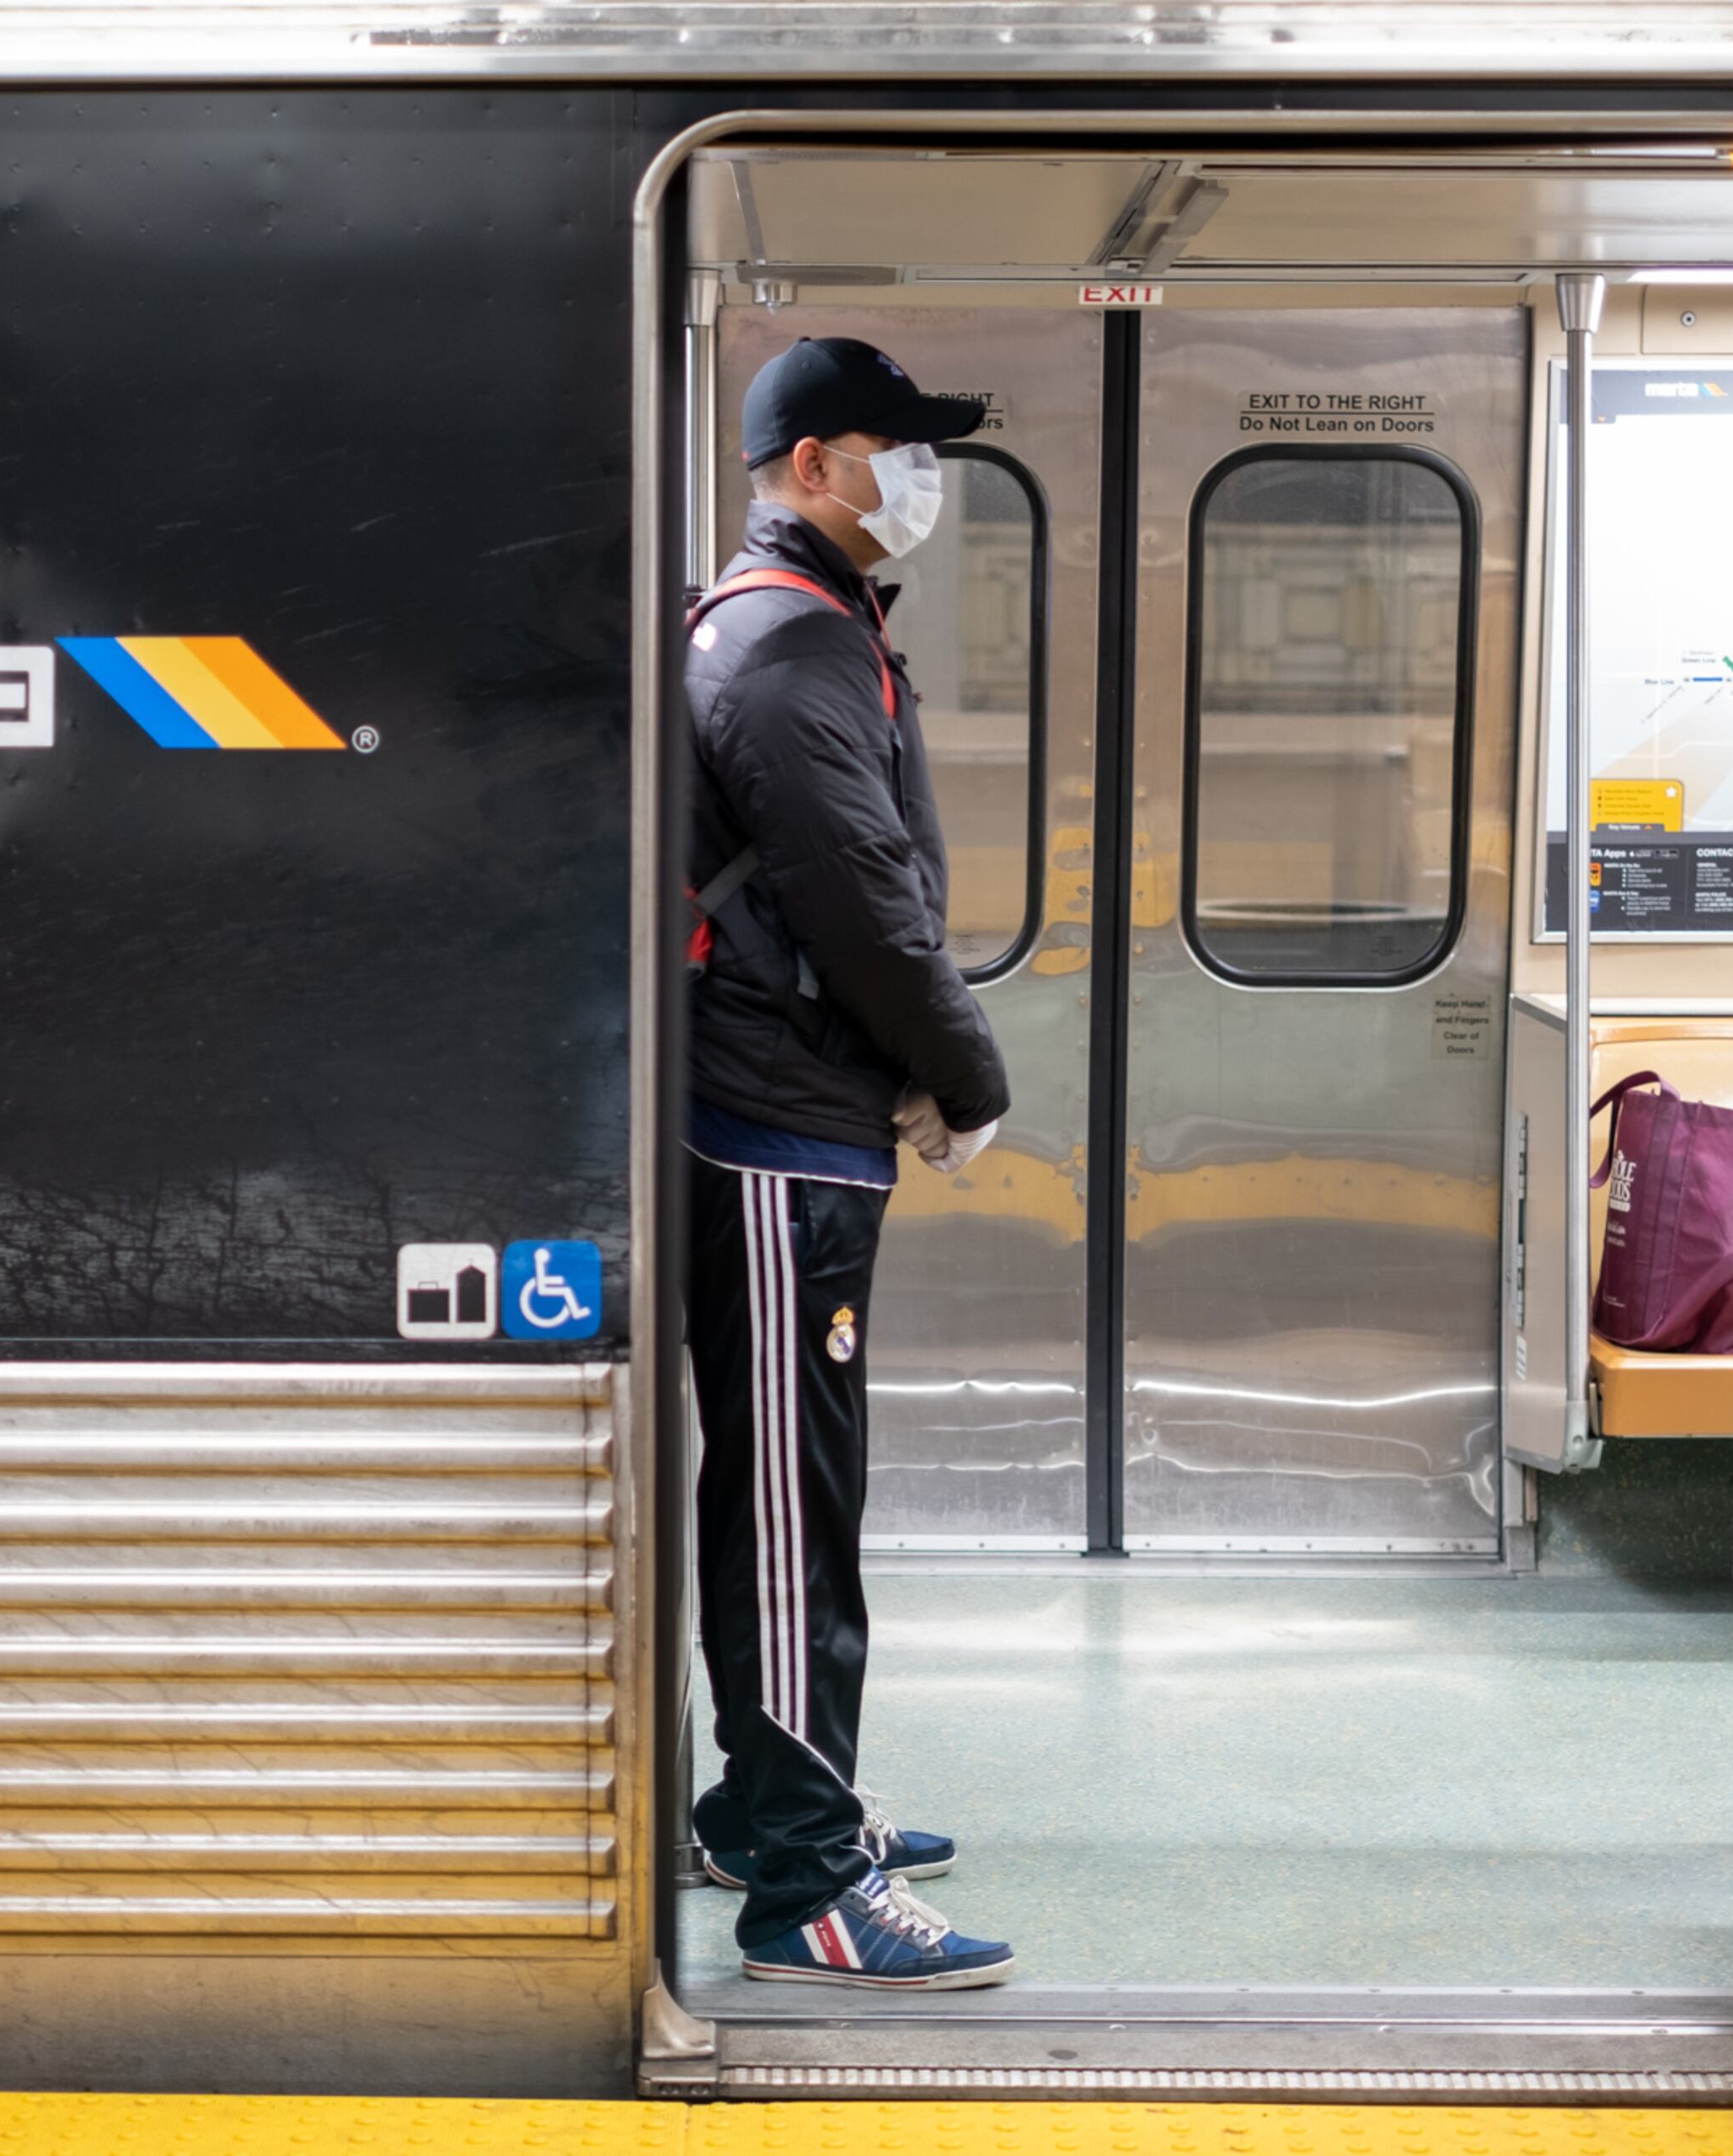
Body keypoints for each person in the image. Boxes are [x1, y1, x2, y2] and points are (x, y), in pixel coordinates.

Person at [682, 336, 1015, 1991]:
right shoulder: (784, 648)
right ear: (811, 463)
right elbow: (867, 907)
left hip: (798, 1117)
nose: (921, 480)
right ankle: (807, 1882)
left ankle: (765, 1804)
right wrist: (968, 1071)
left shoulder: (821, 627)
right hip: (770, 1130)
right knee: (793, 1503)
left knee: (789, 1485)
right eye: (901, 448)